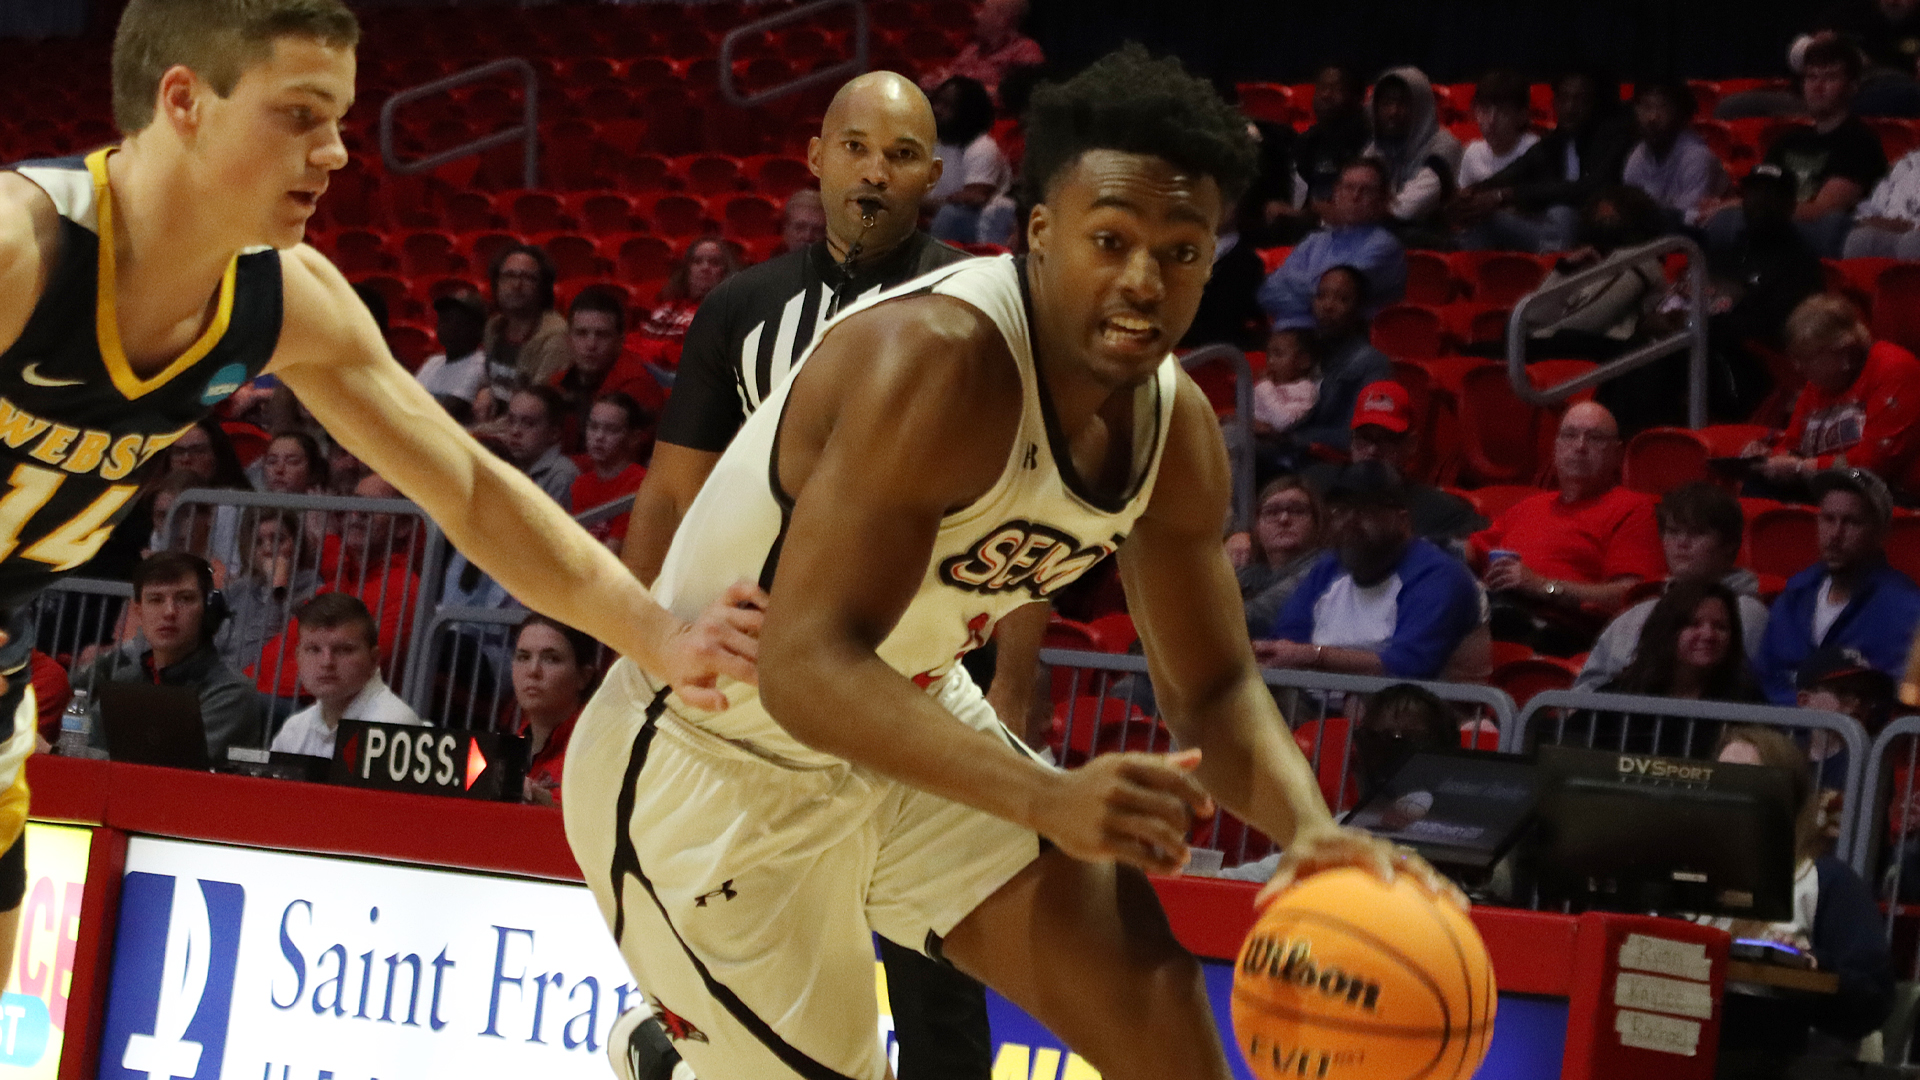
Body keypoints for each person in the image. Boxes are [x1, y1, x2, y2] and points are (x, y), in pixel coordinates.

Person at [565, 47, 1455, 1080]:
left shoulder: (1178, 430)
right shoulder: (936, 359)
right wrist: (1042, 797)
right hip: (715, 751)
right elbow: (803, 665)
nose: (1143, 280)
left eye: (1181, 250)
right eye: (1111, 239)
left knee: (1149, 995)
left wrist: (1309, 833)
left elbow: (1211, 687)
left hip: (907, 715)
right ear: (1039, 234)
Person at [614, 71, 1007, 1080]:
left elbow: (1021, 519)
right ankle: (680, 1047)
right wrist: (636, 644)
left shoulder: (973, 312)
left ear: (936, 173)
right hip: (760, 685)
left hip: (909, 673)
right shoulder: (744, 307)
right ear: (817, 156)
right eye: (857, 147)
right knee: (756, 932)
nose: (876, 172)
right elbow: (666, 498)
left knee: (939, 967)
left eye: (903, 153)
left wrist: (1026, 677)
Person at [1706, 725, 1895, 1080]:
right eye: (1722, 777)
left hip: (1786, 1058)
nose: (1731, 790)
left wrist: (1811, 965)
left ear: (1787, 794)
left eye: (1749, 779)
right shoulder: (1688, 875)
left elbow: (1873, 999)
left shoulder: (1827, 880)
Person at [1259, 461, 1489, 682]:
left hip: (1422, 709)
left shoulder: (1439, 576)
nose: (1350, 520)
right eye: (1341, 509)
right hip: (1321, 703)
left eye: (1366, 509)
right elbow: (1287, 640)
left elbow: (1407, 667)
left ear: (1402, 521)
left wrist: (1314, 655)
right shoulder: (1329, 567)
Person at [1470, 401, 1666, 653]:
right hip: (1495, 612)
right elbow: (1469, 552)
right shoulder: (1529, 507)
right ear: (1556, 448)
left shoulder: (1633, 509)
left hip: (1566, 630)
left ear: (1617, 454)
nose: (1580, 446)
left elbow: (1633, 596)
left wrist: (1542, 585)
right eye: (1570, 435)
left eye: (1594, 438)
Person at [1705, 35, 1889, 258]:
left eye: (1830, 78)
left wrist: (1740, 207)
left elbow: (1823, 211)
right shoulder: (1788, 140)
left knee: (1730, 221)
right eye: (1811, 77)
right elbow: (1760, 195)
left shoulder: (1859, 141)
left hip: (1817, 237)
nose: (1818, 86)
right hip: (1773, 227)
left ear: (1852, 87)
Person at [1577, 482, 1772, 691]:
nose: (1682, 543)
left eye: (1697, 533)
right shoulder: (1634, 615)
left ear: (1729, 545)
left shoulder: (1746, 614)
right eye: (1673, 532)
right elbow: (1585, 689)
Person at [72, 553, 262, 760]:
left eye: (185, 599)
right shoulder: (126, 681)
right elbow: (84, 749)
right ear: (139, 612)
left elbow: (172, 771)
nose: (169, 612)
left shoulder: (231, 694)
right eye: (155, 600)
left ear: (206, 611)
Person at [1757, 466, 1920, 704]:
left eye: (1852, 522)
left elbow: (1901, 700)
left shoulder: (1907, 611)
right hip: (1784, 735)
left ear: (1880, 533)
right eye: (1828, 519)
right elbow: (1766, 677)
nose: (1835, 534)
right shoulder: (1794, 596)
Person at [1744, 294, 1920, 501]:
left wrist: (1804, 467)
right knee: (1758, 485)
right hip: (1831, 484)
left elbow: (1874, 466)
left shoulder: (1894, 369)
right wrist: (1771, 456)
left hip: (1881, 488)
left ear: (1843, 353)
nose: (1798, 367)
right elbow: (1794, 442)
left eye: (1806, 358)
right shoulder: (1820, 383)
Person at [1462, 70, 1637, 255]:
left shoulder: (1613, 138)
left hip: (1599, 229)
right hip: (1554, 229)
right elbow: (1517, 170)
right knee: (1479, 217)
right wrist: (1471, 194)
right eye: (1564, 98)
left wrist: (1502, 196)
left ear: (1595, 103)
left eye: (1579, 100)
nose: (1570, 108)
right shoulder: (1555, 141)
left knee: (1561, 212)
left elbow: (1587, 189)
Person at [1303, 380, 1486, 550]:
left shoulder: (1437, 511)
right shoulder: (1314, 485)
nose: (1373, 450)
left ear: (1411, 444)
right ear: (1351, 441)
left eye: (1387, 439)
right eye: (1364, 438)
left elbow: (1484, 546)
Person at [1257, 158, 1406, 330]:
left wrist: (1292, 283)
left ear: (1382, 199)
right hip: (1288, 343)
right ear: (1336, 193)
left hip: (1342, 343)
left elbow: (1336, 292)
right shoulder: (1315, 240)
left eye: (1366, 190)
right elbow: (1267, 293)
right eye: (1348, 187)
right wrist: (1316, 294)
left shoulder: (1384, 246)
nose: (1355, 196)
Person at [270, 593, 422, 757]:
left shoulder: (391, 725)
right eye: (314, 649)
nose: (327, 662)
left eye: (344, 650)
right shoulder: (294, 730)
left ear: (374, 659)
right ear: (298, 657)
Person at [1600, 578, 1764, 703]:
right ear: (1666, 631)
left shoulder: (1747, 701)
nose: (1709, 635)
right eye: (1694, 624)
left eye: (1720, 627)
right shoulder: (1621, 696)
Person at [218, 509, 318, 701]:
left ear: (297, 545)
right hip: (225, 686)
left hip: (270, 696)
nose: (268, 549)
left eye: (278, 540)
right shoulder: (238, 589)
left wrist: (277, 587)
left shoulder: (312, 590)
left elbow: (256, 650)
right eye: (258, 542)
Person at [1363, 67, 1462, 242]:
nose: (1393, 112)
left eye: (1403, 103)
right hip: (1382, 234)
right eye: (1386, 103)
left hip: (1430, 239)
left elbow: (1409, 208)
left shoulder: (1445, 145)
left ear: (1422, 107)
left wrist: (1360, 212)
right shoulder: (1374, 150)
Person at [510, 612, 596, 807]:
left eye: (551, 659)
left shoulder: (598, 748)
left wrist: (546, 803)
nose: (533, 670)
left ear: (584, 676)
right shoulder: (508, 748)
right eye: (523, 657)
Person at [1621, 80, 1728, 229]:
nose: (1652, 117)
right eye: (1646, 107)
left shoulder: (1696, 156)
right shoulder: (1638, 157)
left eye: (1662, 107)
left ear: (1679, 111)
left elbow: (1690, 221)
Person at [1233, 475, 1326, 641]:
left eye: (1297, 511)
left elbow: (1253, 618)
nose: (1284, 519)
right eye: (1271, 512)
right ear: (1257, 526)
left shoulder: (1322, 569)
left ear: (1317, 522)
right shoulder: (1251, 573)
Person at [632, 237, 740, 376]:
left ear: (725, 271)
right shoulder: (668, 306)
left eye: (714, 263)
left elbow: (694, 356)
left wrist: (657, 351)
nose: (705, 267)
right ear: (687, 269)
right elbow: (637, 339)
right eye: (697, 261)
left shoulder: (724, 311)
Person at [927, 76, 1015, 246]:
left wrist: (916, 204)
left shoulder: (982, 147)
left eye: (947, 105)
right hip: (933, 217)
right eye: (936, 102)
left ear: (967, 113)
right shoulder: (932, 143)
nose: (936, 109)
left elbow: (974, 198)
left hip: (977, 227)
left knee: (949, 214)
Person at [915, 0, 1043, 103]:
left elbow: (1016, 96)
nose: (976, 15)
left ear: (1003, 20)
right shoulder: (972, 49)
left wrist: (957, 87)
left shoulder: (1026, 52)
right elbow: (950, 77)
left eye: (983, 10)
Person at [571, 392, 651, 552]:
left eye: (612, 430)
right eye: (593, 427)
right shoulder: (580, 483)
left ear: (634, 438)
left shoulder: (640, 483)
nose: (599, 437)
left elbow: (613, 552)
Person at [1292, 64, 1372, 221]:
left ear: (1357, 98)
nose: (1326, 95)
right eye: (1321, 88)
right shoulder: (1308, 140)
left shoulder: (1368, 141)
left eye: (1336, 89)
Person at [485, 243, 570, 386]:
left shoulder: (557, 337)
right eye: (509, 276)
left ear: (543, 287)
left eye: (528, 278)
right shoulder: (494, 326)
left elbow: (539, 400)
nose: (516, 285)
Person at [411, 287, 490, 420]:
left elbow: (447, 413)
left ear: (477, 328)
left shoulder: (480, 364)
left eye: (456, 320)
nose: (445, 325)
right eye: (443, 318)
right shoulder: (433, 362)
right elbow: (406, 398)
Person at [1454, 70, 1541, 191]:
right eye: (1484, 111)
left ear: (1522, 116)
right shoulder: (1473, 153)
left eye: (1502, 112)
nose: (1491, 121)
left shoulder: (1535, 150)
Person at [502, 386, 580, 505]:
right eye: (511, 421)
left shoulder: (561, 476)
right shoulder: (506, 460)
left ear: (554, 433)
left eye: (528, 424)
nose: (515, 431)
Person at [1250, 327, 1318, 440]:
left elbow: (1285, 423)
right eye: (1269, 355)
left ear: (1303, 361)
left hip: (1278, 449)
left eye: (1278, 354)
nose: (1270, 361)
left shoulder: (1306, 390)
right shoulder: (1269, 385)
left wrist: (1264, 387)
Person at [777, 189, 827, 255]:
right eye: (800, 227)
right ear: (785, 229)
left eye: (817, 230)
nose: (808, 236)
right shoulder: (767, 264)